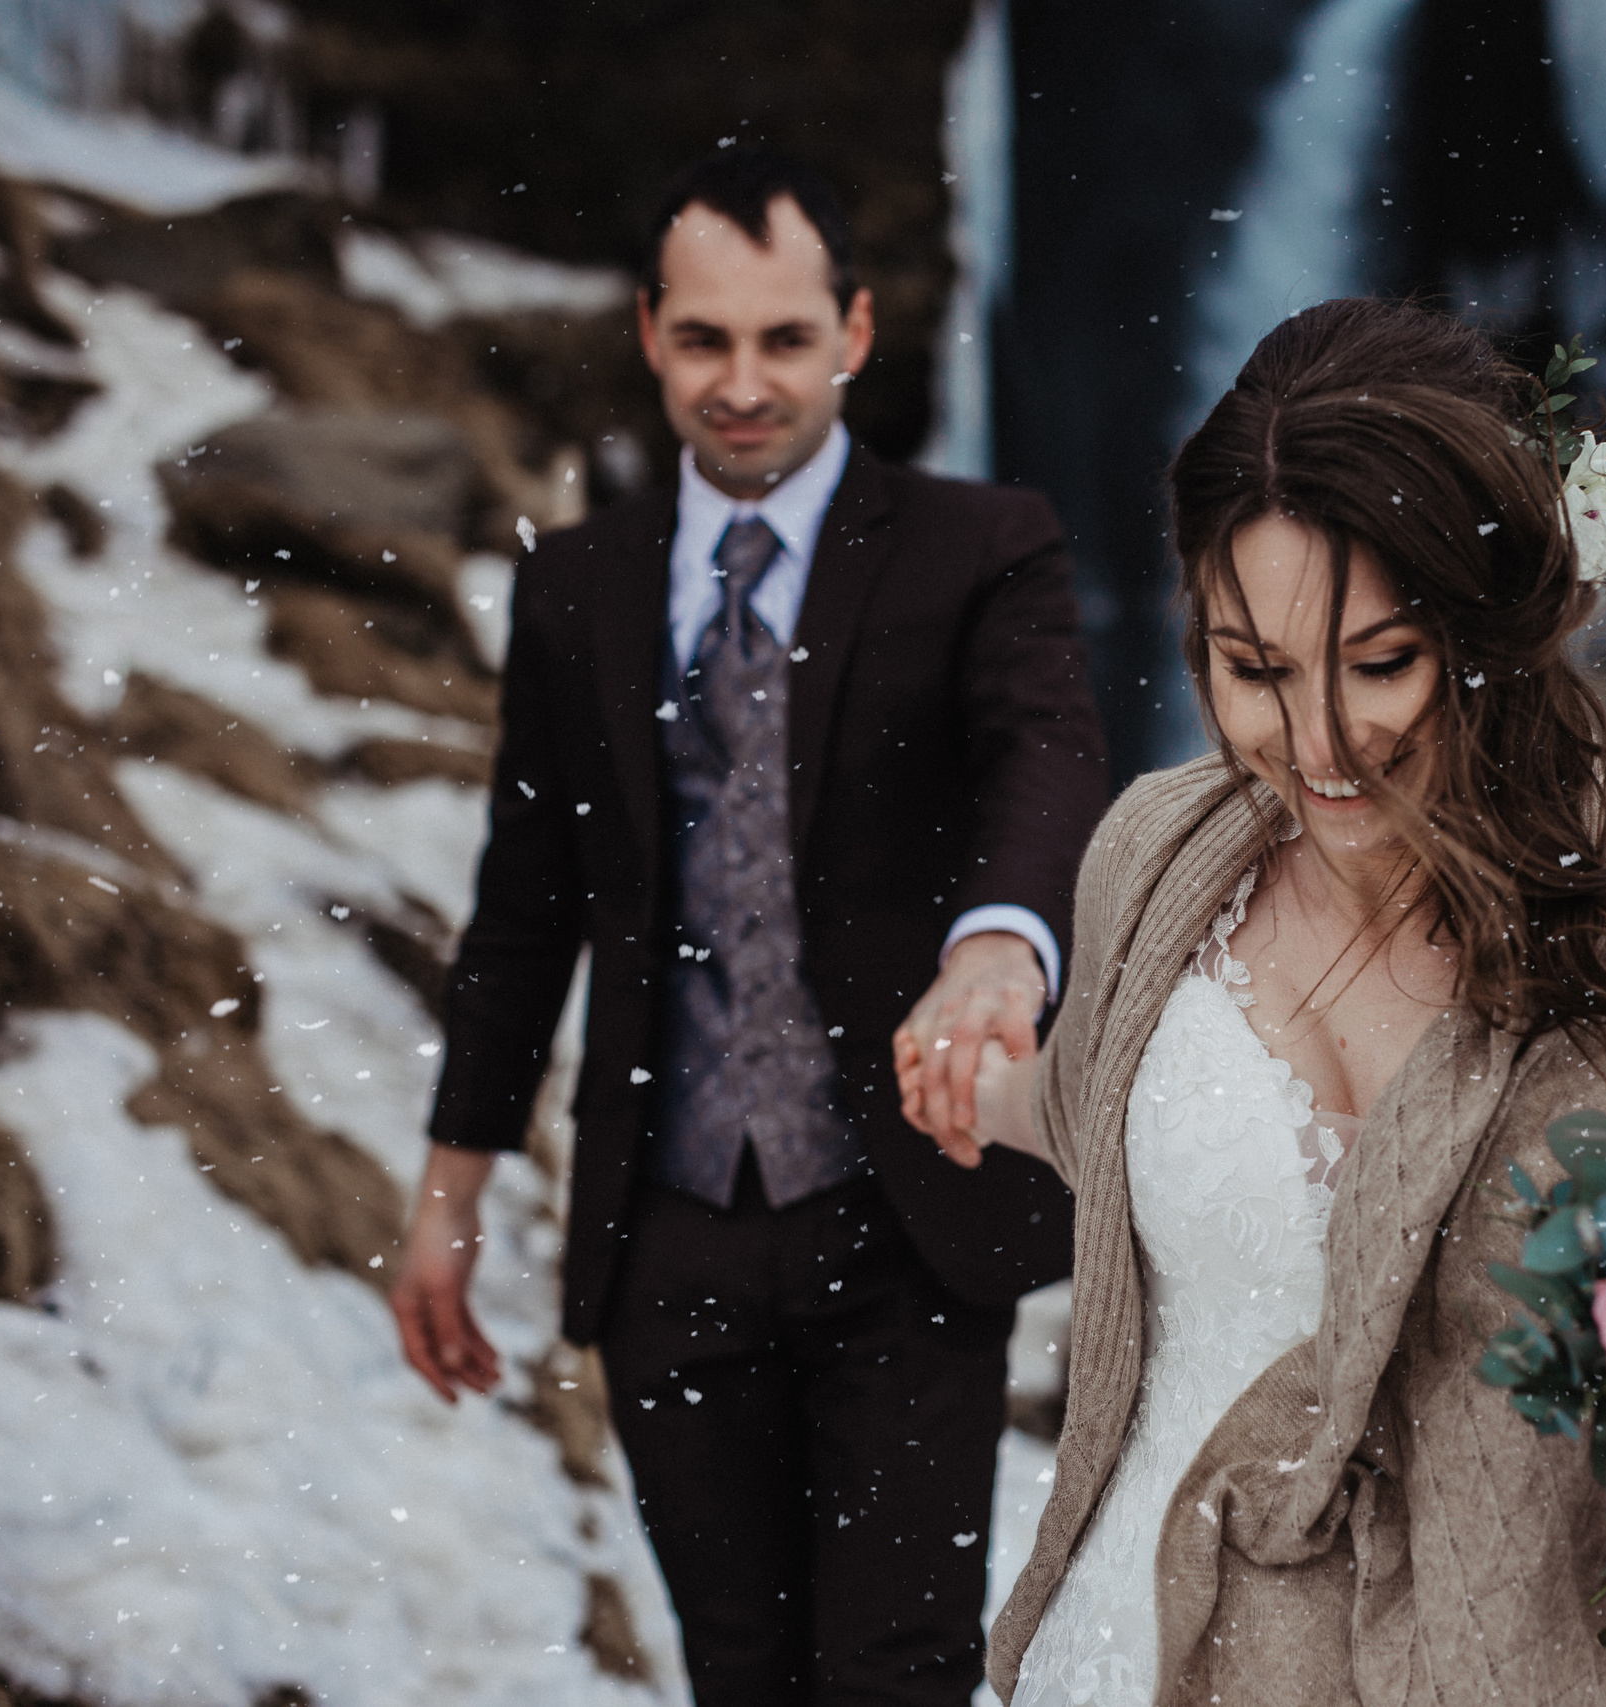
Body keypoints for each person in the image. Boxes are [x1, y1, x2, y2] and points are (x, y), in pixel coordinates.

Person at [897, 299, 1606, 1706]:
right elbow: (1098, 1113)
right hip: (1144, 1650)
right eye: (1254, 671)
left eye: (1381, 663)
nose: (1314, 745)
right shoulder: (1151, 855)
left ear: (1497, 628)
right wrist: (974, 1079)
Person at [389, 145, 1111, 1706]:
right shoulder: (578, 587)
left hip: (902, 1217)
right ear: (650, 334)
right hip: (670, 1234)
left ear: (852, 333)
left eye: (783, 339)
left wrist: (997, 945)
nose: (743, 383)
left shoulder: (977, 549)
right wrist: (451, 1188)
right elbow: (527, 907)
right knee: (740, 1674)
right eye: (706, 339)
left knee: (899, 1672)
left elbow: (1046, 760)